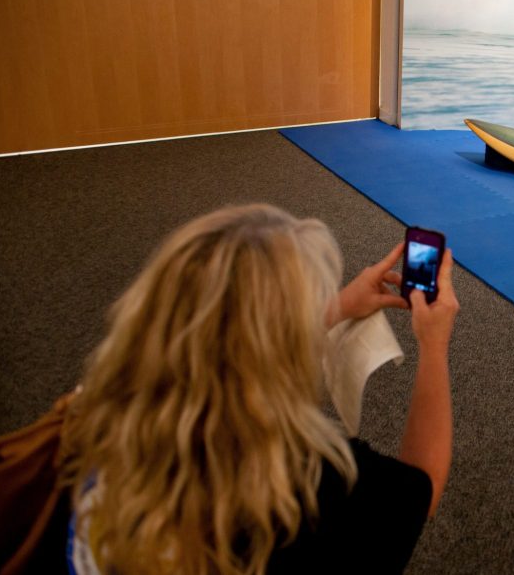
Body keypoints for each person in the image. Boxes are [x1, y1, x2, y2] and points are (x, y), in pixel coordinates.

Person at [58, 203, 459, 575]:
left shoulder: (92, 416)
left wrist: (336, 309)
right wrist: (434, 345)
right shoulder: (307, 488)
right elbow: (419, 486)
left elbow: (220, 339)